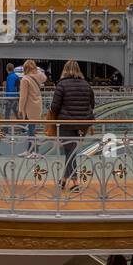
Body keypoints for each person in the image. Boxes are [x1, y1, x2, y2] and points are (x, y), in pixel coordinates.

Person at [48, 60, 94, 192]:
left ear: (65, 70)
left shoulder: (62, 85)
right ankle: (63, 181)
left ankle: (75, 182)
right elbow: (92, 104)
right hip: (83, 124)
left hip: (66, 123)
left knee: (70, 152)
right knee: (71, 152)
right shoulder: (86, 85)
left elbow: (54, 106)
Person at [16, 59, 46, 155]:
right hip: (37, 105)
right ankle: (30, 150)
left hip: (29, 106)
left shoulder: (25, 79)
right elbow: (44, 78)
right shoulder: (39, 76)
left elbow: (23, 96)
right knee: (32, 128)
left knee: (31, 130)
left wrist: (20, 109)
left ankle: (33, 151)